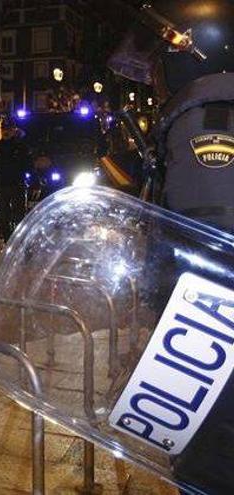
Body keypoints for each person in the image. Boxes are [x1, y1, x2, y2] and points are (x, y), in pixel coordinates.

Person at [106, 1, 234, 492]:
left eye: (158, 64)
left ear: (191, 56)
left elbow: (209, 253)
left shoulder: (208, 121)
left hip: (214, 347)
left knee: (208, 463)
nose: (154, 78)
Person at [0, 119, 33, 242]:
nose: (6, 132)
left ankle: (19, 240)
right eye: (4, 129)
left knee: (19, 215)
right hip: (1, 186)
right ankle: (7, 239)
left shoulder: (21, 147)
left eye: (9, 129)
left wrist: (35, 182)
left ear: (14, 130)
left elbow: (29, 165)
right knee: (3, 215)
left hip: (17, 185)